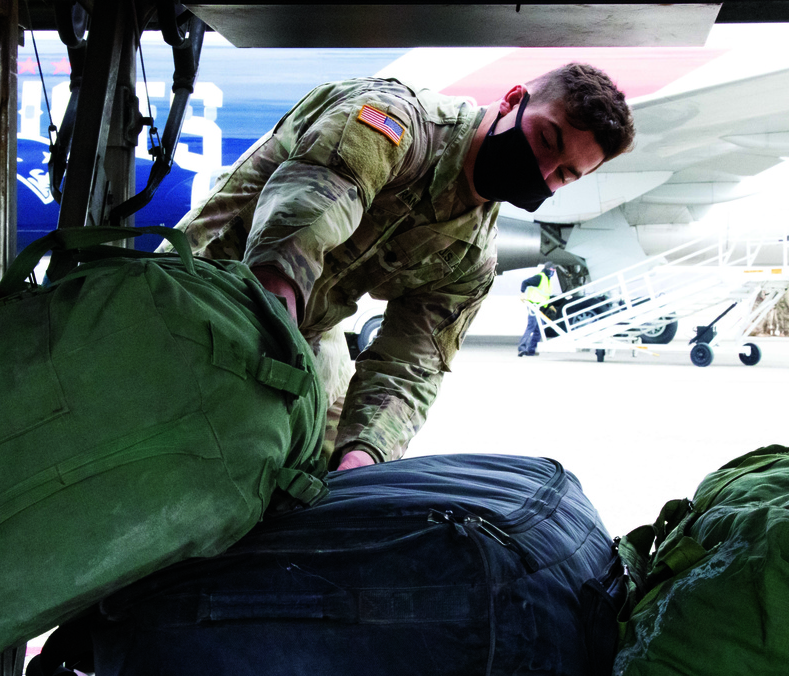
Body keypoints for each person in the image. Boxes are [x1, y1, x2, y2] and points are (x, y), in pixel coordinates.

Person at [173, 63, 634, 471]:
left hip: (305, 328)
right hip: (198, 288)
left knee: (330, 465)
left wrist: (363, 458)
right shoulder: (391, 120)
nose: (542, 170)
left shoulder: (470, 256)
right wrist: (269, 378)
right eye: (545, 140)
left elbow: (410, 367)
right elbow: (300, 224)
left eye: (564, 174)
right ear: (514, 100)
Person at [518, 261, 558, 357]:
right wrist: (522, 293)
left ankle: (531, 350)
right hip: (533, 306)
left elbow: (545, 295)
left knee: (539, 329)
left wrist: (550, 305)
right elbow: (525, 282)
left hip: (540, 307)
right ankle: (522, 348)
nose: (552, 272)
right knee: (531, 326)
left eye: (554, 270)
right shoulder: (540, 277)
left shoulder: (547, 280)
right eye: (551, 269)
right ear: (546, 269)